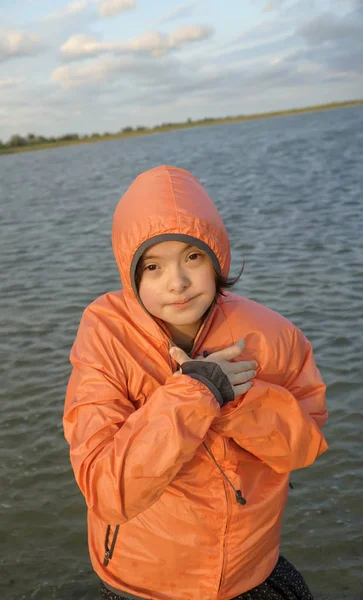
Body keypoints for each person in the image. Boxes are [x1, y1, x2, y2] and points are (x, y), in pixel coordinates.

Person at [63, 165, 328, 600]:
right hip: (144, 578)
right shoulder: (105, 336)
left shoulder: (270, 334)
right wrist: (196, 393)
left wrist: (238, 403)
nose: (178, 283)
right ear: (131, 274)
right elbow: (107, 491)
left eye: (192, 256)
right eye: (153, 266)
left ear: (217, 255)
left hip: (249, 567)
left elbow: (304, 446)